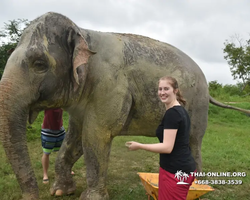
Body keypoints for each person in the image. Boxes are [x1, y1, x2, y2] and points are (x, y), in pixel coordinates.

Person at [126, 76, 196, 200]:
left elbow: (167, 147)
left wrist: (139, 146)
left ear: (175, 90)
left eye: (166, 89)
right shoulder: (181, 110)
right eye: (160, 89)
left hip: (175, 171)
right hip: (181, 168)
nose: (162, 92)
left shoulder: (173, 114)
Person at [41, 108, 71, 184]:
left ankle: (67, 169)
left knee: (65, 151)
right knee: (46, 153)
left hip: (60, 130)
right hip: (48, 131)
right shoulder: (48, 103)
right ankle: (45, 174)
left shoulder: (60, 103)